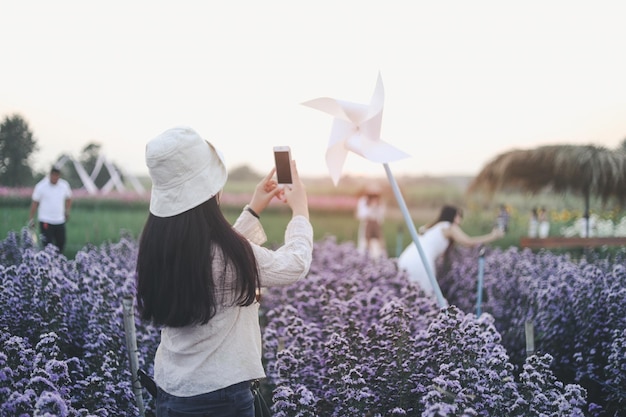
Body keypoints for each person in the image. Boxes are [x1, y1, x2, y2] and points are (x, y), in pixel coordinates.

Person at [135, 126, 313, 417]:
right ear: (210, 190)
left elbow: (213, 260)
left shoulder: (159, 244)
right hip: (221, 401)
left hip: (170, 393)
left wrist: (254, 208)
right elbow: (294, 263)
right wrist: (301, 211)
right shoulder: (224, 257)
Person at [397, 205, 504, 298]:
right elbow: (468, 242)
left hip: (407, 257)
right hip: (420, 261)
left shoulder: (433, 226)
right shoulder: (449, 227)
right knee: (427, 296)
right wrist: (493, 236)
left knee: (409, 294)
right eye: (458, 216)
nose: (460, 220)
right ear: (452, 216)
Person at [28, 166, 73, 253]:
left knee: (61, 243)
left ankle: (58, 263)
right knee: (47, 245)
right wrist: (31, 218)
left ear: (59, 176)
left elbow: (69, 198)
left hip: (59, 220)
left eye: (57, 175)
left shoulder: (64, 185)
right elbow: (35, 203)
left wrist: (67, 211)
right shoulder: (41, 186)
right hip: (46, 220)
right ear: (50, 175)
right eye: (53, 175)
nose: (55, 178)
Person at [355, 185, 386, 258]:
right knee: (364, 245)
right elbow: (360, 215)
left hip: (376, 227)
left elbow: (381, 217)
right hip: (366, 226)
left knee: (378, 246)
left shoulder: (380, 202)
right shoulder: (363, 201)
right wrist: (370, 208)